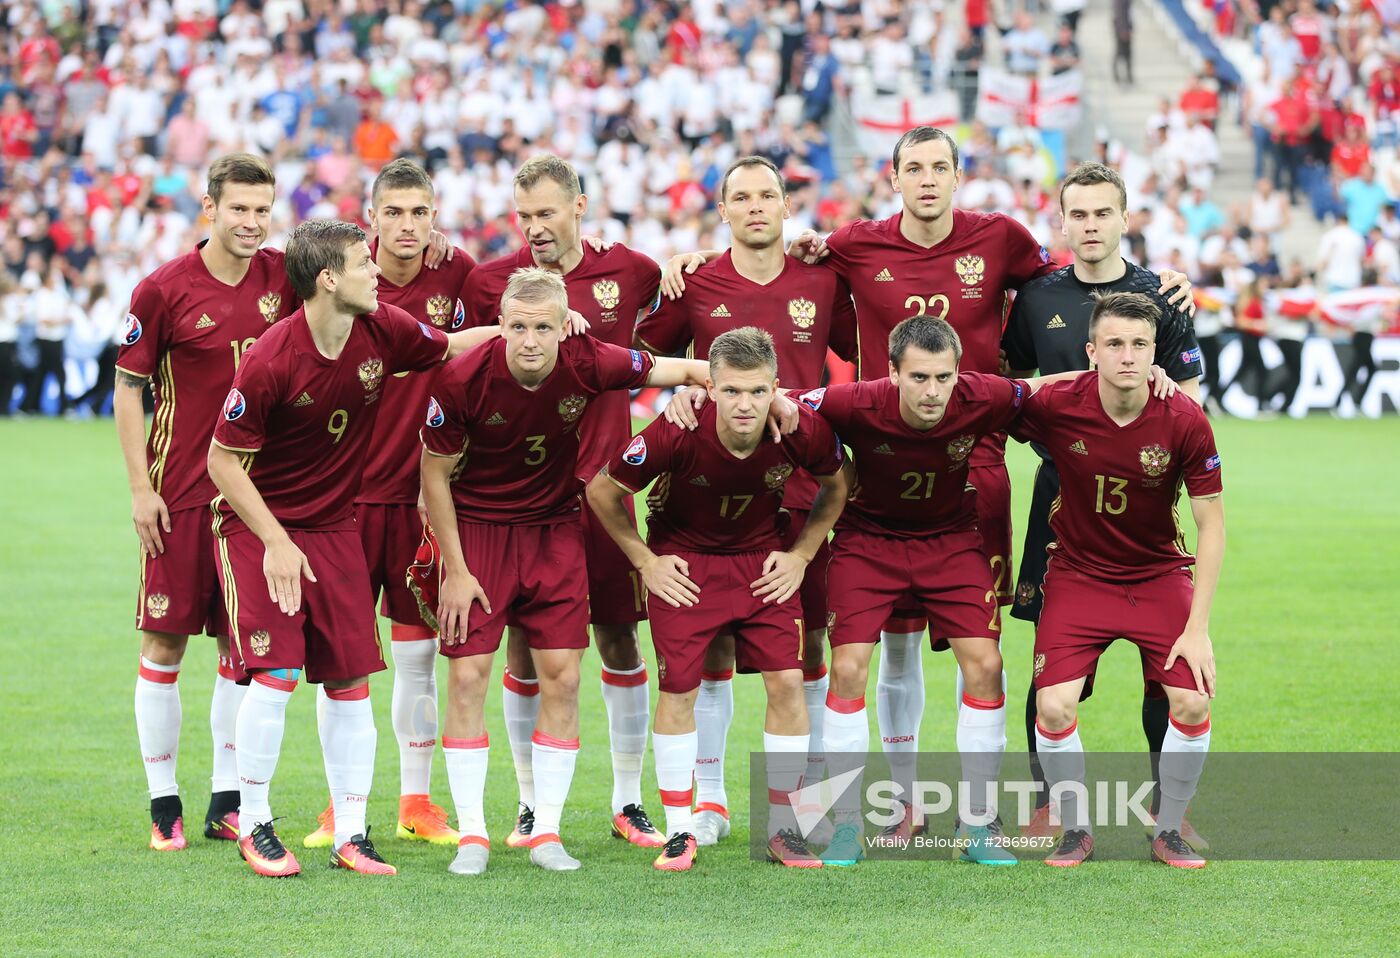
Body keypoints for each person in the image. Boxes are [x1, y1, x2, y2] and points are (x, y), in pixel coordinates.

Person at [665, 128, 1191, 820]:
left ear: (958, 175)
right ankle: (899, 797)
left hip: (978, 465)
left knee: (984, 647)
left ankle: (988, 810)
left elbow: (1081, 276)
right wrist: (699, 259)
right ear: (894, 178)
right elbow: (778, 255)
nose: (927, 179)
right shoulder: (854, 245)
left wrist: (1154, 283)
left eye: (939, 167)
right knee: (889, 641)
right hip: (883, 462)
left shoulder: (1001, 238)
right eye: (913, 168)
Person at [207, 219, 498, 878]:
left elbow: (450, 346)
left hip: (336, 527)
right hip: (257, 528)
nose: (378, 272)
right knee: (278, 675)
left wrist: (528, 331)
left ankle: (352, 833)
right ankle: (255, 827)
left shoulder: (383, 329)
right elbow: (222, 464)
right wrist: (277, 542)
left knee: (349, 682)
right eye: (365, 263)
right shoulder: (272, 358)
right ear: (329, 279)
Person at [421, 267, 711, 876]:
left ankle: (546, 830)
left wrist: (696, 391)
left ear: (565, 328)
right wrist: (454, 567)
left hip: (555, 530)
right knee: (469, 677)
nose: (530, 340)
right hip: (478, 531)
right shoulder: (460, 378)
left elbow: (684, 369)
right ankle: (474, 833)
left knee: (564, 677)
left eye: (543, 327)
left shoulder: (589, 360)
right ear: (499, 326)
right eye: (518, 326)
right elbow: (434, 476)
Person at [800, 315, 1094, 867]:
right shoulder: (852, 401)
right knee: (846, 670)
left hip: (952, 542)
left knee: (985, 666)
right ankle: (846, 826)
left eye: (943, 377)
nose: (932, 391)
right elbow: (778, 401)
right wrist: (692, 397)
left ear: (959, 373)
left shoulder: (980, 394)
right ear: (891, 374)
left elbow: (1045, 385)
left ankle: (978, 824)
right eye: (918, 378)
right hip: (869, 542)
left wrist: (1131, 372)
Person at [637, 155, 857, 847]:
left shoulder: (823, 278)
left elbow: (866, 346)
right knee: (708, 653)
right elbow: (645, 358)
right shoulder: (694, 280)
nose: (756, 206)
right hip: (709, 494)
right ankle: (710, 798)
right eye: (742, 197)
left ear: (788, 206)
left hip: (801, 491)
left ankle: (808, 801)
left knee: (809, 645)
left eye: (768, 195)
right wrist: (678, 396)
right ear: (722, 211)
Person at [461, 156, 667, 850]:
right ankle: (528, 804)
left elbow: (680, 329)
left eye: (547, 213)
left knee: (617, 636)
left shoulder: (632, 272)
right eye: (524, 217)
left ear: (580, 205)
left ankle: (629, 799)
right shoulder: (494, 284)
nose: (535, 228)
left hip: (605, 494)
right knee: (526, 651)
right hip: (521, 504)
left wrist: (693, 257)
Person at [587, 327, 848, 871]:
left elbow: (838, 486)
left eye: (757, 391)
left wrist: (800, 554)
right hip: (686, 566)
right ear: (711, 385)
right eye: (731, 391)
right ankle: (680, 832)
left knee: (787, 682)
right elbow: (603, 490)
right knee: (679, 689)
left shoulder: (799, 427)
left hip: (762, 563)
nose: (745, 404)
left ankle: (784, 831)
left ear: (777, 387)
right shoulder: (679, 427)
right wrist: (645, 560)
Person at [1000, 162, 1202, 842]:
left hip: (1143, 501)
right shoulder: (1035, 299)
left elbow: (1192, 397)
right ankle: (1051, 801)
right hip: (1061, 496)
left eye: (1102, 214)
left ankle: (1165, 805)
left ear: (1125, 218)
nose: (1090, 226)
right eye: (1077, 215)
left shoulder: (1162, 295)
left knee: (1162, 662)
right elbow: (1012, 388)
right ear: (1062, 222)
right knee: (1049, 659)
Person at [114, 154, 298, 852]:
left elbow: (358, 271)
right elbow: (129, 390)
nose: (251, 222)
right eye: (239, 209)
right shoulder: (161, 290)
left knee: (238, 650)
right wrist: (139, 488)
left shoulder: (285, 276)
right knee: (163, 644)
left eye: (262, 209)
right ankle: (165, 804)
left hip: (251, 502)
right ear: (209, 209)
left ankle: (226, 799)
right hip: (181, 496)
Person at [1011, 292, 1224, 869]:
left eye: (1139, 345)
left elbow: (1212, 527)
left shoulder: (1184, 417)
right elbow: (1000, 396)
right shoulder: (1059, 402)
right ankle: (1075, 829)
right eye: (1113, 344)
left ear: (1155, 353)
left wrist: (1198, 628)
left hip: (1158, 575)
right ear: (1091, 352)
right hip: (1079, 577)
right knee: (1051, 708)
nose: (1127, 356)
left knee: (1192, 702)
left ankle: (1170, 829)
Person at [302, 158, 476, 850]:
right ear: (370, 218)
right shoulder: (339, 273)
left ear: (436, 216)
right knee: (339, 660)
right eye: (394, 212)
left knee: (416, 658)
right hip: (339, 502)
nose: (408, 226)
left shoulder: (459, 275)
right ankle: (336, 806)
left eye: (420, 212)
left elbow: (520, 306)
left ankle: (415, 802)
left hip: (421, 501)